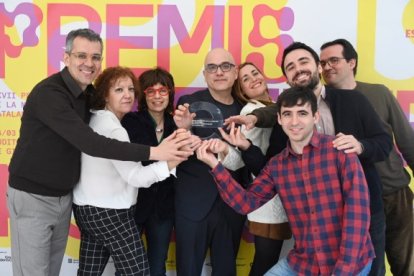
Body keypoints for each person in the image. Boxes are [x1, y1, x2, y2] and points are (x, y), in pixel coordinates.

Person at [6, 28, 191, 276]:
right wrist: (159, 154)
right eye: (82, 55)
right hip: (35, 197)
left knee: (54, 270)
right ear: (66, 57)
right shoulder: (52, 94)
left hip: (68, 200)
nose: (89, 63)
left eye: (95, 57)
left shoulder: (87, 96)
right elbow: (92, 144)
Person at [225, 41, 392, 276]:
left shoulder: (352, 100)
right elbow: (270, 168)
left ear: (318, 66)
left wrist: (360, 145)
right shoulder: (283, 117)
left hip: (363, 211)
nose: (298, 69)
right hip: (318, 220)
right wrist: (245, 146)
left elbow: (384, 143)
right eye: (290, 66)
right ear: (287, 78)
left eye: (303, 61)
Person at [197, 86, 374, 275]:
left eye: (302, 113)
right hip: (304, 263)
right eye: (288, 114)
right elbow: (245, 203)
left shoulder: (339, 152)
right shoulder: (277, 166)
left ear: (315, 117)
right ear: (280, 119)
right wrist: (214, 165)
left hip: (351, 263)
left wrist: (342, 271)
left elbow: (358, 216)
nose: (295, 121)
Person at [73, 66, 187, 275]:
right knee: (137, 272)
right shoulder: (115, 128)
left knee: (89, 271)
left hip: (86, 208)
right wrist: (173, 160)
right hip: (110, 213)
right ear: (104, 95)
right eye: (118, 90)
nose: (127, 95)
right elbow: (135, 176)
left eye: (130, 89)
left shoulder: (97, 118)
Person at [320, 38, 414, 276]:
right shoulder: (319, 101)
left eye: (334, 60)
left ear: (352, 62)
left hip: (395, 192)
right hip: (354, 200)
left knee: (405, 263)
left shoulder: (378, 93)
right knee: (372, 269)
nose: (327, 67)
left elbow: (406, 139)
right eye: (322, 63)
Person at [172, 48, 248, 275]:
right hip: (192, 201)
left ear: (235, 72)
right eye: (212, 68)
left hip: (232, 205)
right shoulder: (188, 104)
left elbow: (252, 157)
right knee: (188, 269)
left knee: (226, 270)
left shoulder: (247, 110)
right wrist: (183, 133)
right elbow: (174, 150)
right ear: (204, 74)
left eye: (225, 66)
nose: (219, 72)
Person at [218, 62, 291, 276]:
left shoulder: (273, 105)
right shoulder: (250, 111)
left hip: (278, 198)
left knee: (267, 262)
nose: (253, 79)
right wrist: (224, 149)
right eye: (245, 80)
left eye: (255, 73)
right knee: (265, 264)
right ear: (241, 90)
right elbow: (239, 161)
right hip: (268, 203)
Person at [121, 67, 189, 276]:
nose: (157, 96)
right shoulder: (130, 122)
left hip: (164, 207)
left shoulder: (176, 123)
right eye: (151, 91)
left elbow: (184, 160)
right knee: (127, 266)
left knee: (157, 265)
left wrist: (185, 130)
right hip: (132, 204)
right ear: (143, 95)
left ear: (170, 93)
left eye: (163, 91)